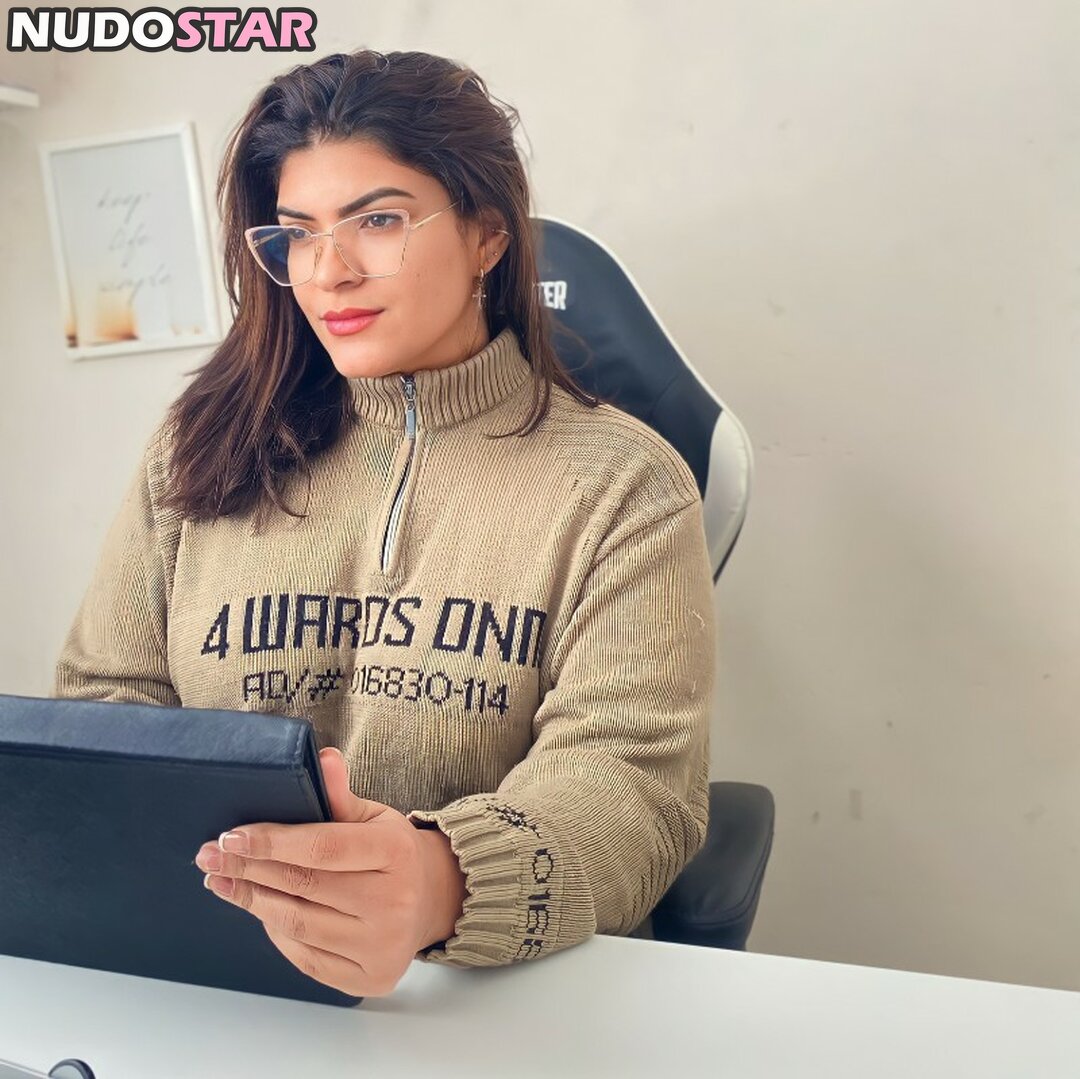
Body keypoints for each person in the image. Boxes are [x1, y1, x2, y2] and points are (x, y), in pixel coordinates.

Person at [53, 48, 717, 998]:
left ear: (488, 234)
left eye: (378, 221)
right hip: (215, 978)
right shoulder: (196, 452)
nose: (329, 272)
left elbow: (631, 782)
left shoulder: (625, 483)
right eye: (297, 235)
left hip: (496, 1000)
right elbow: (103, 704)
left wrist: (443, 881)